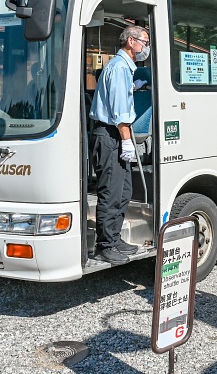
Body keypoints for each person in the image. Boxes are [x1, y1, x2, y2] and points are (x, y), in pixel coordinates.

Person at [88, 24, 150, 264]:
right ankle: (105, 245)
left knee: (123, 191)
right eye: (144, 41)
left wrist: (134, 89)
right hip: (111, 135)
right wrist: (126, 141)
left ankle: (114, 238)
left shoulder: (124, 69)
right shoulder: (119, 67)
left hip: (115, 134)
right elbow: (119, 112)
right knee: (111, 193)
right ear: (131, 41)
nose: (146, 47)